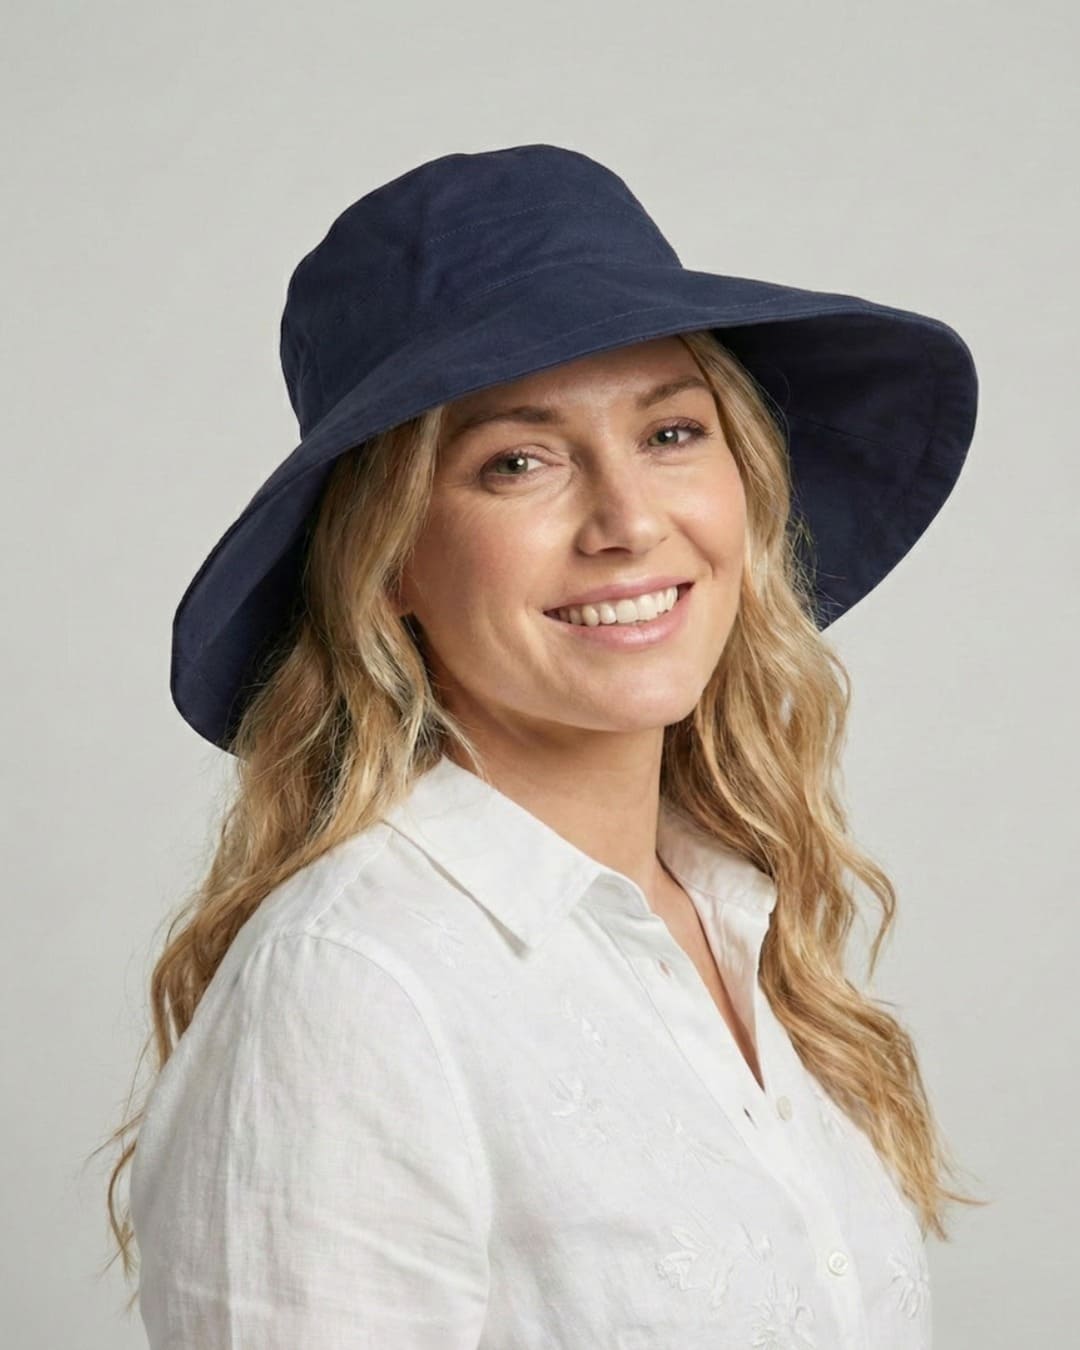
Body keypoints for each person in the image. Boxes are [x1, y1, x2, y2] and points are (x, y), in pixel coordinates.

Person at [96, 143, 985, 1347]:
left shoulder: (733, 918)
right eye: (520, 461)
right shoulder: (357, 987)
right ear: (391, 559)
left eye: (673, 433)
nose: (628, 521)